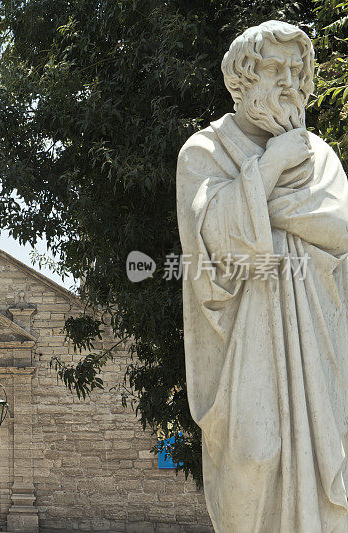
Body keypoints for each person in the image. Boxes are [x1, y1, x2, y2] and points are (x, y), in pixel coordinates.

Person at [177, 20, 348, 532]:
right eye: (274, 68)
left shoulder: (321, 158)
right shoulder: (204, 153)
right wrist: (270, 167)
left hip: (318, 344)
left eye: (298, 71)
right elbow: (215, 245)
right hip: (243, 347)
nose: (289, 82)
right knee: (254, 453)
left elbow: (339, 226)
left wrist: (257, 201)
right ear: (242, 79)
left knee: (322, 466)